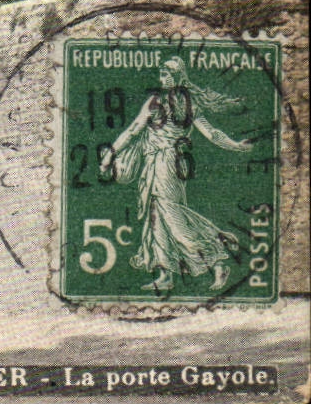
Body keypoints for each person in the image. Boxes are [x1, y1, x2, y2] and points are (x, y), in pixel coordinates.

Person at [101, 57, 254, 292]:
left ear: (177, 78)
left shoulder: (157, 102)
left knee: (169, 215)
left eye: (166, 75)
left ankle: (216, 257)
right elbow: (212, 134)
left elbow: (133, 131)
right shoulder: (189, 103)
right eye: (161, 75)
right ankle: (165, 275)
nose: (161, 79)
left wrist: (111, 153)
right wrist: (235, 145)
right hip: (170, 165)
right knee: (158, 217)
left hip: (164, 164)